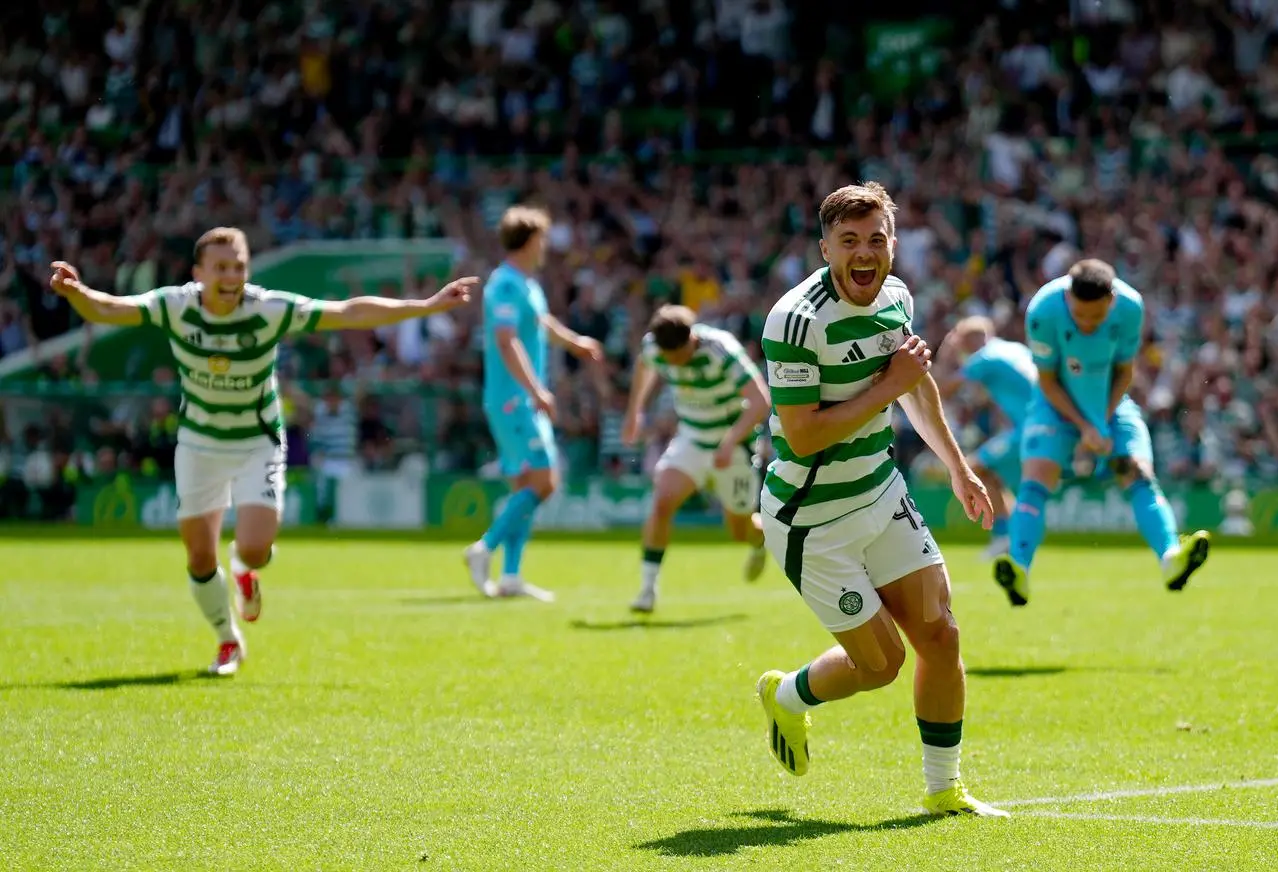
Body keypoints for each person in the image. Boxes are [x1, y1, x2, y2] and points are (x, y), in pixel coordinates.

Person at [48, 227, 475, 675]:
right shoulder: (176, 305)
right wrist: (77, 293)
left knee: (253, 549)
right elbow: (110, 309)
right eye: (221, 268)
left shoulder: (269, 309)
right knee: (197, 556)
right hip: (199, 444)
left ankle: (244, 570)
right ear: (199, 273)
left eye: (238, 267)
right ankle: (227, 639)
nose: (231, 277)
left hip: (257, 442)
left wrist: (425, 306)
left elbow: (348, 312)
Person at [755, 181, 1008, 817]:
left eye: (876, 240)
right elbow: (806, 433)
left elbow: (915, 389)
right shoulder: (796, 319)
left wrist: (957, 467)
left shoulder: (897, 297)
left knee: (941, 637)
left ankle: (943, 790)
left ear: (891, 245)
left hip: (882, 495)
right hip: (812, 523)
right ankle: (787, 695)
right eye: (849, 242)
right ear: (825, 248)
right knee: (883, 664)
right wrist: (890, 384)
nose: (864, 253)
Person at [994, 258, 1211, 606]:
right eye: (1080, 316)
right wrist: (1083, 427)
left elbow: (1125, 370)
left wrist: (1101, 421)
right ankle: (1018, 569)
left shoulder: (1131, 307)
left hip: (1111, 401)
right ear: (1068, 298)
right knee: (1035, 479)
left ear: (1111, 300)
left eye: (1096, 316)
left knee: (1139, 474)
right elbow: (1047, 381)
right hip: (1055, 405)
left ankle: (1171, 558)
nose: (1088, 324)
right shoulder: (1042, 310)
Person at [463, 206, 603, 600]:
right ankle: (484, 548)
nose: (546, 247)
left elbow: (540, 324)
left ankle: (510, 576)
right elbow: (508, 342)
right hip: (513, 399)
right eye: (542, 239)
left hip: (519, 398)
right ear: (527, 242)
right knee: (545, 481)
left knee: (525, 485)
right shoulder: (504, 285)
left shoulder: (527, 284)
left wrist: (575, 343)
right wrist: (536, 391)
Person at [620, 304, 771, 613]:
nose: (674, 364)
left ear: (691, 339)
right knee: (662, 502)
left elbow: (760, 400)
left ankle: (759, 541)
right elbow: (643, 366)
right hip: (692, 438)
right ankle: (648, 590)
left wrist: (730, 442)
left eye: (679, 356)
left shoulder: (721, 350)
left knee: (739, 529)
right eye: (668, 359)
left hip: (734, 446)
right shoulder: (656, 346)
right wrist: (635, 411)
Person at [934, 316, 1038, 558]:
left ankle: (1004, 533)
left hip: (1027, 429)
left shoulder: (984, 358)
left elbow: (942, 391)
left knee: (972, 469)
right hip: (1038, 425)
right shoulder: (1013, 348)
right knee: (991, 474)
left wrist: (946, 354)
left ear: (970, 339)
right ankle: (1011, 535)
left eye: (960, 341)